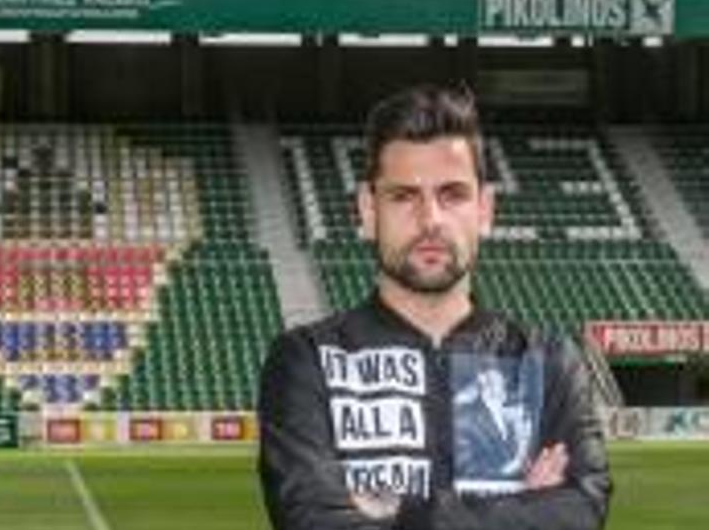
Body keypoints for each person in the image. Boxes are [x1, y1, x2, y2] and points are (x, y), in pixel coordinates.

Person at [257, 85, 611, 529]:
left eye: (452, 195)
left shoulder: (548, 362)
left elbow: (579, 510)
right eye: (404, 196)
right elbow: (313, 519)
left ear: (484, 209)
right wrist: (521, 510)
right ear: (368, 210)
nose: (430, 221)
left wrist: (398, 509)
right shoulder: (307, 361)